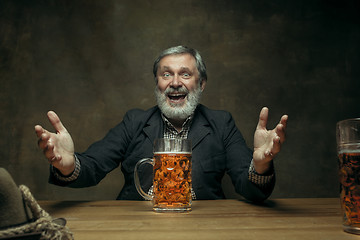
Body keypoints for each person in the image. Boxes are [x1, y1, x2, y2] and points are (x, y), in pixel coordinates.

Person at [35, 46, 288, 202]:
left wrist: (261, 165)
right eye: (166, 74)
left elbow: (252, 190)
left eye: (185, 74)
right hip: (139, 229)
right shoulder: (134, 121)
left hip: (203, 228)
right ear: (157, 83)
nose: (175, 82)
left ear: (201, 85)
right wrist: (67, 165)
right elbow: (92, 167)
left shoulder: (221, 123)